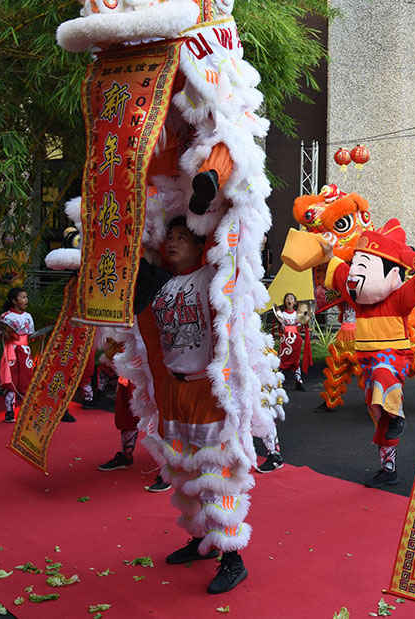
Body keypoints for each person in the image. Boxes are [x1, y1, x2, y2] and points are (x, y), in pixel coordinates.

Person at [149, 217, 249, 592]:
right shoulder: (159, 283)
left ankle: (233, 558)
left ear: (198, 243)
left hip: (207, 389)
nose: (173, 243)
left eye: (182, 238)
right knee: (184, 473)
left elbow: (233, 246)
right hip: (173, 391)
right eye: (169, 237)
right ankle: (201, 540)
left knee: (216, 478)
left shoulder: (212, 276)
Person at [321, 219, 415, 488]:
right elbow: (342, 274)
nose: (355, 273)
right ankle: (389, 468)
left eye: (363, 267)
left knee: (383, 375)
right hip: (365, 359)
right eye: (357, 265)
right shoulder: (357, 302)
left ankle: (396, 415)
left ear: (392, 275)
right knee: (379, 414)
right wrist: (330, 255)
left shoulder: (397, 297)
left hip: (393, 356)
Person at [0, 287, 34, 423]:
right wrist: (8, 335)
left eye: (26, 297)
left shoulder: (28, 316)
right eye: (22, 297)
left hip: (24, 350)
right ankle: (9, 410)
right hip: (11, 350)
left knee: (26, 378)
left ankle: (26, 409)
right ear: (14, 301)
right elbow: (1, 334)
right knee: (11, 379)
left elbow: (31, 334)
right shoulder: (5, 316)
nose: (26, 300)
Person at [271, 293, 308, 393]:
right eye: (287, 298)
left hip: (296, 339)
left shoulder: (298, 314)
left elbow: (299, 328)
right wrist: (282, 326)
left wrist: (304, 319)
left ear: (294, 302)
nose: (289, 300)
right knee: (282, 359)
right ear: (285, 302)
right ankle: (277, 381)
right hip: (285, 340)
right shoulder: (282, 314)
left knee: (296, 360)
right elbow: (281, 328)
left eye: (291, 298)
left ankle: (298, 381)